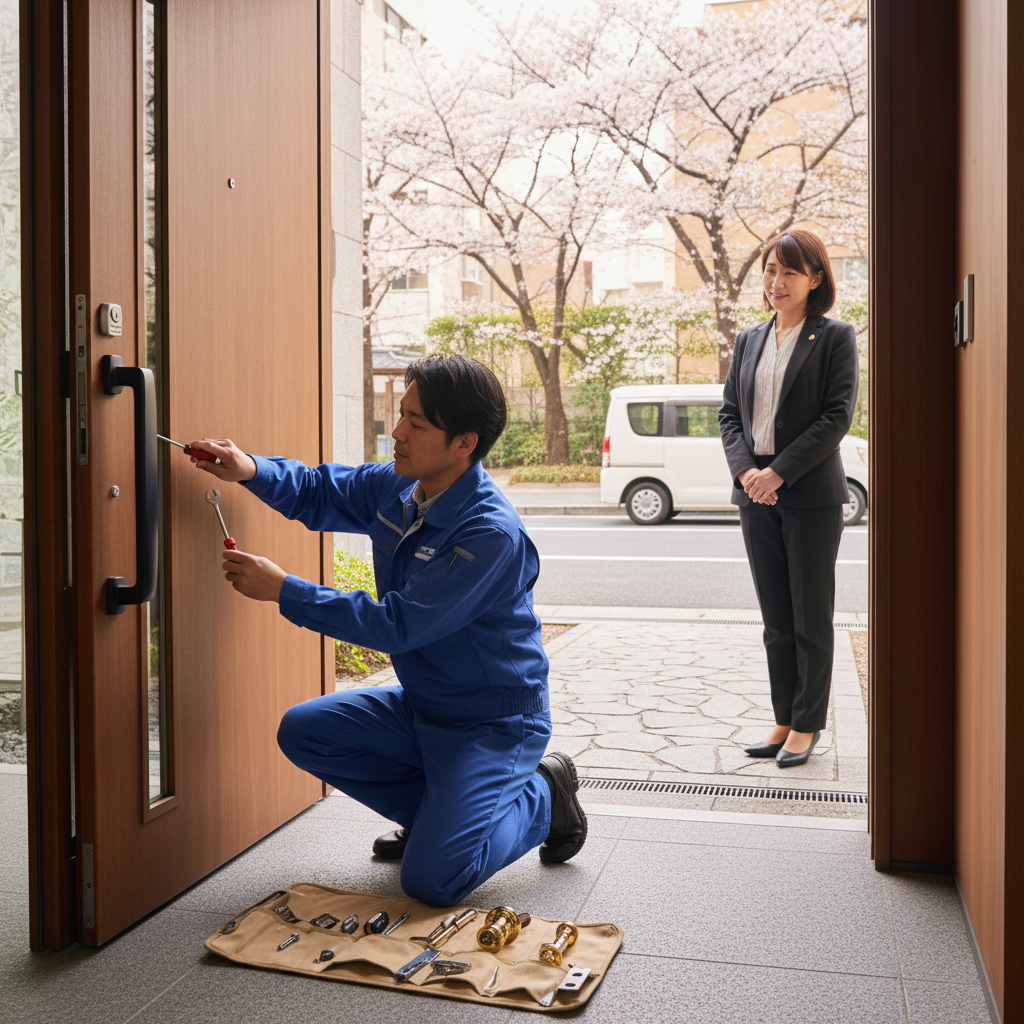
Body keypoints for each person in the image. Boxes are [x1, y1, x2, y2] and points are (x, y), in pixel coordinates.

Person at [187, 353, 587, 905]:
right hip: (425, 705)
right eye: (401, 413)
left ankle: (544, 793)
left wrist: (286, 590)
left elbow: (399, 626)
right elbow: (319, 492)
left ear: (464, 443)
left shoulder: (489, 534)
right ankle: (438, 815)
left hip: (491, 723)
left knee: (433, 881)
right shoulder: (401, 488)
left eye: (416, 423)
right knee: (304, 730)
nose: (395, 431)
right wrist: (249, 468)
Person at [719, 230, 859, 768]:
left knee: (810, 615)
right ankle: (783, 718)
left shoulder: (834, 337)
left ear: (816, 279)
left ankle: (807, 724)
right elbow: (731, 414)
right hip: (755, 496)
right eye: (771, 270)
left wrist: (777, 472)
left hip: (810, 497)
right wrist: (748, 474)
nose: (776, 282)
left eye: (790, 273)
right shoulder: (749, 339)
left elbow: (836, 418)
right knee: (776, 616)